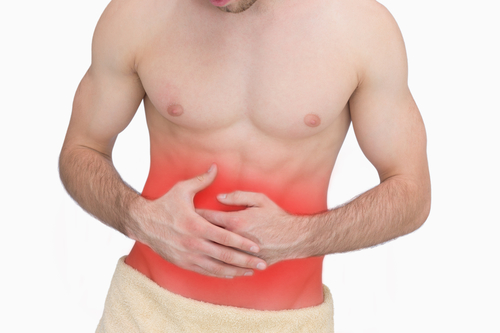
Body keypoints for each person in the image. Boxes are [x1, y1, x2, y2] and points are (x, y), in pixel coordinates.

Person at [59, 0, 431, 331]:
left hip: (288, 323)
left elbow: (411, 192)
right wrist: (139, 217)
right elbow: (81, 148)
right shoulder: (138, 13)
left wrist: (301, 236)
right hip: (144, 314)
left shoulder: (360, 27)